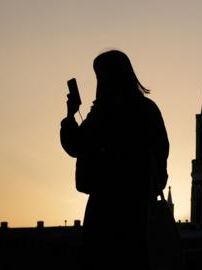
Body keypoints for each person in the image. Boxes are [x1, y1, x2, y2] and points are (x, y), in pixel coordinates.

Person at [60, 50, 169, 269]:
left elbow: (74, 145)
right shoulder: (148, 110)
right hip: (139, 208)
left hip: (105, 210)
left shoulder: (104, 113)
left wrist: (71, 115)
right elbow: (161, 155)